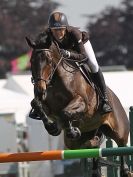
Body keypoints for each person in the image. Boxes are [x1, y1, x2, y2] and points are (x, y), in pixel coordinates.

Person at [29, 11, 112, 119]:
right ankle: (38, 105)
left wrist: (68, 54)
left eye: (61, 30)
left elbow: (83, 56)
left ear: (65, 28)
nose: (58, 33)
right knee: (42, 72)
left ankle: (104, 99)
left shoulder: (75, 33)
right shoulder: (47, 35)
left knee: (93, 65)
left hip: (79, 48)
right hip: (62, 53)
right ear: (50, 30)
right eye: (55, 30)